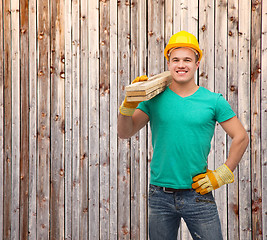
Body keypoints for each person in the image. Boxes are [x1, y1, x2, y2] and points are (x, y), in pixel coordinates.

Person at [117, 31, 249, 240]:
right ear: (168, 63)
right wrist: (128, 105)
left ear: (197, 64)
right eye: (175, 59)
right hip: (160, 196)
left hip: (198, 194)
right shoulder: (153, 99)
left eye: (187, 59)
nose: (181, 65)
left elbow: (241, 137)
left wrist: (222, 174)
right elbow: (125, 132)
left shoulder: (213, 101)